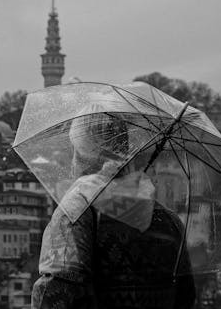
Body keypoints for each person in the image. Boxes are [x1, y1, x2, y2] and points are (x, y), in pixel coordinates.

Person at [31, 109, 196, 309]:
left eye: (74, 150)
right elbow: (186, 295)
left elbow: (55, 290)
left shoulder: (78, 211)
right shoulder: (169, 221)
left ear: (84, 155)